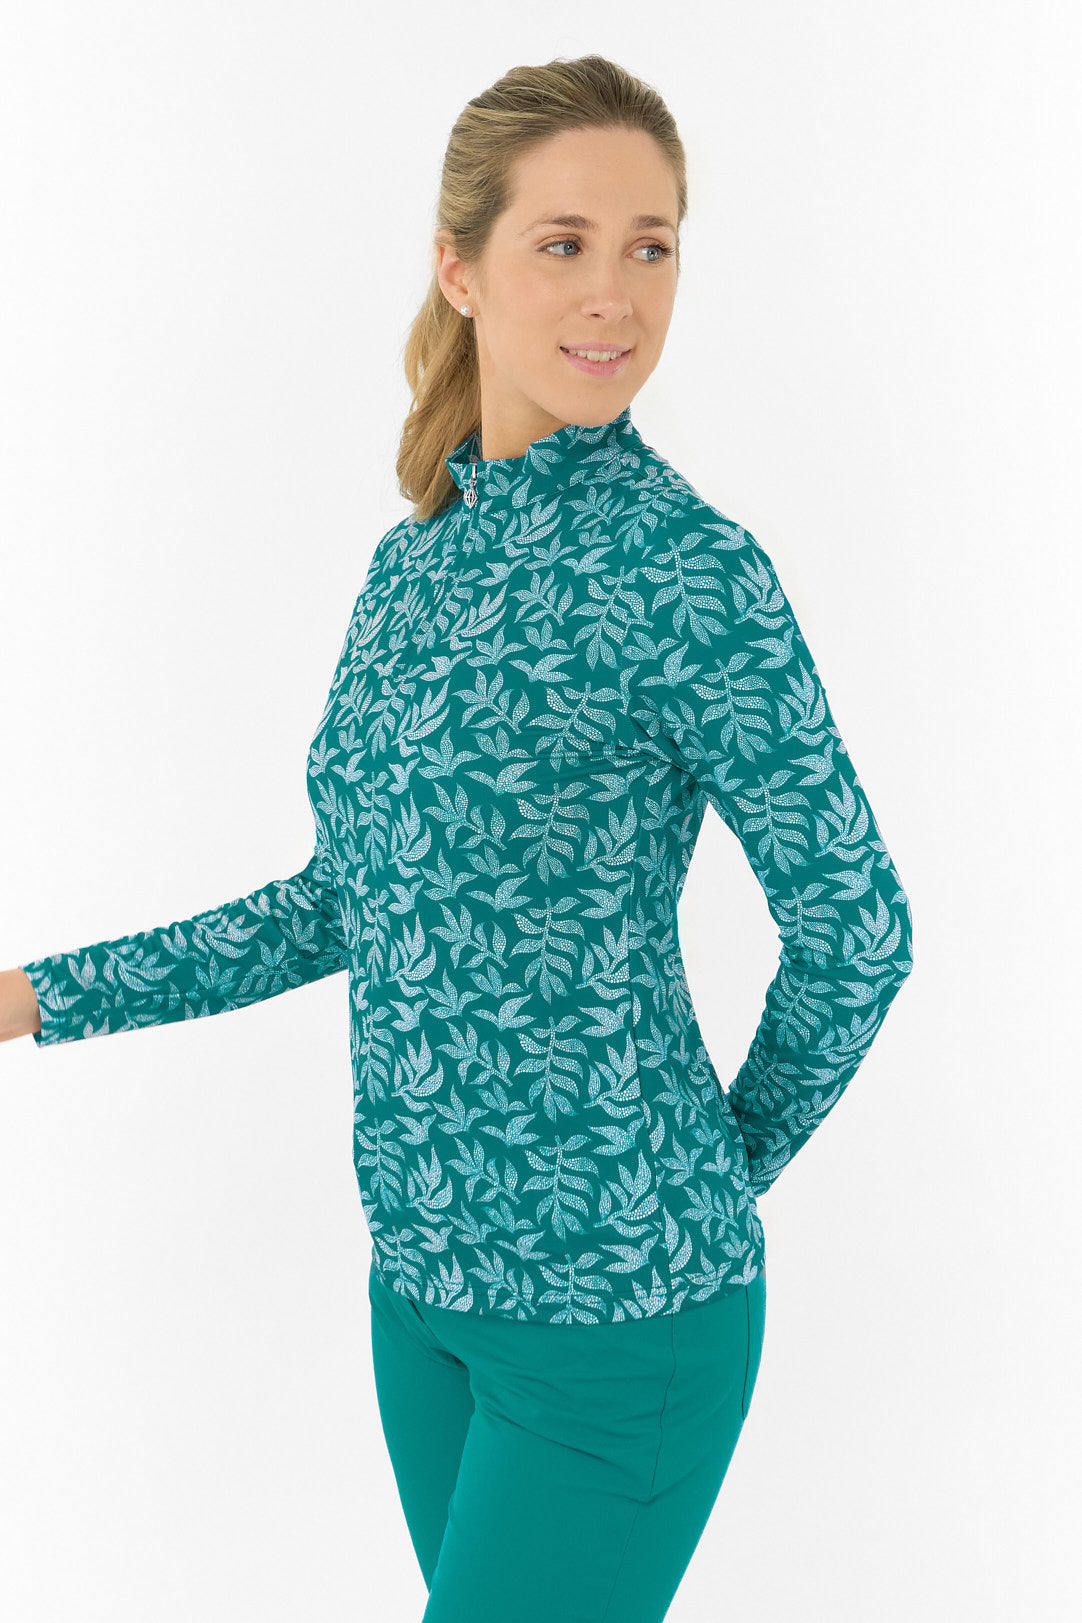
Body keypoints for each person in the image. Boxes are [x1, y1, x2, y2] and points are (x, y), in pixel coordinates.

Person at [2, 53, 914, 1623]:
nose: (615, 293)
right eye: (564, 242)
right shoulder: (411, 567)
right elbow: (339, 906)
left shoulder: (689, 577)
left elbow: (858, 930)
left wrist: (704, 1176)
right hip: (419, 1297)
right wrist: (35, 996)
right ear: (461, 267)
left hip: (617, 1320)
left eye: (650, 244)